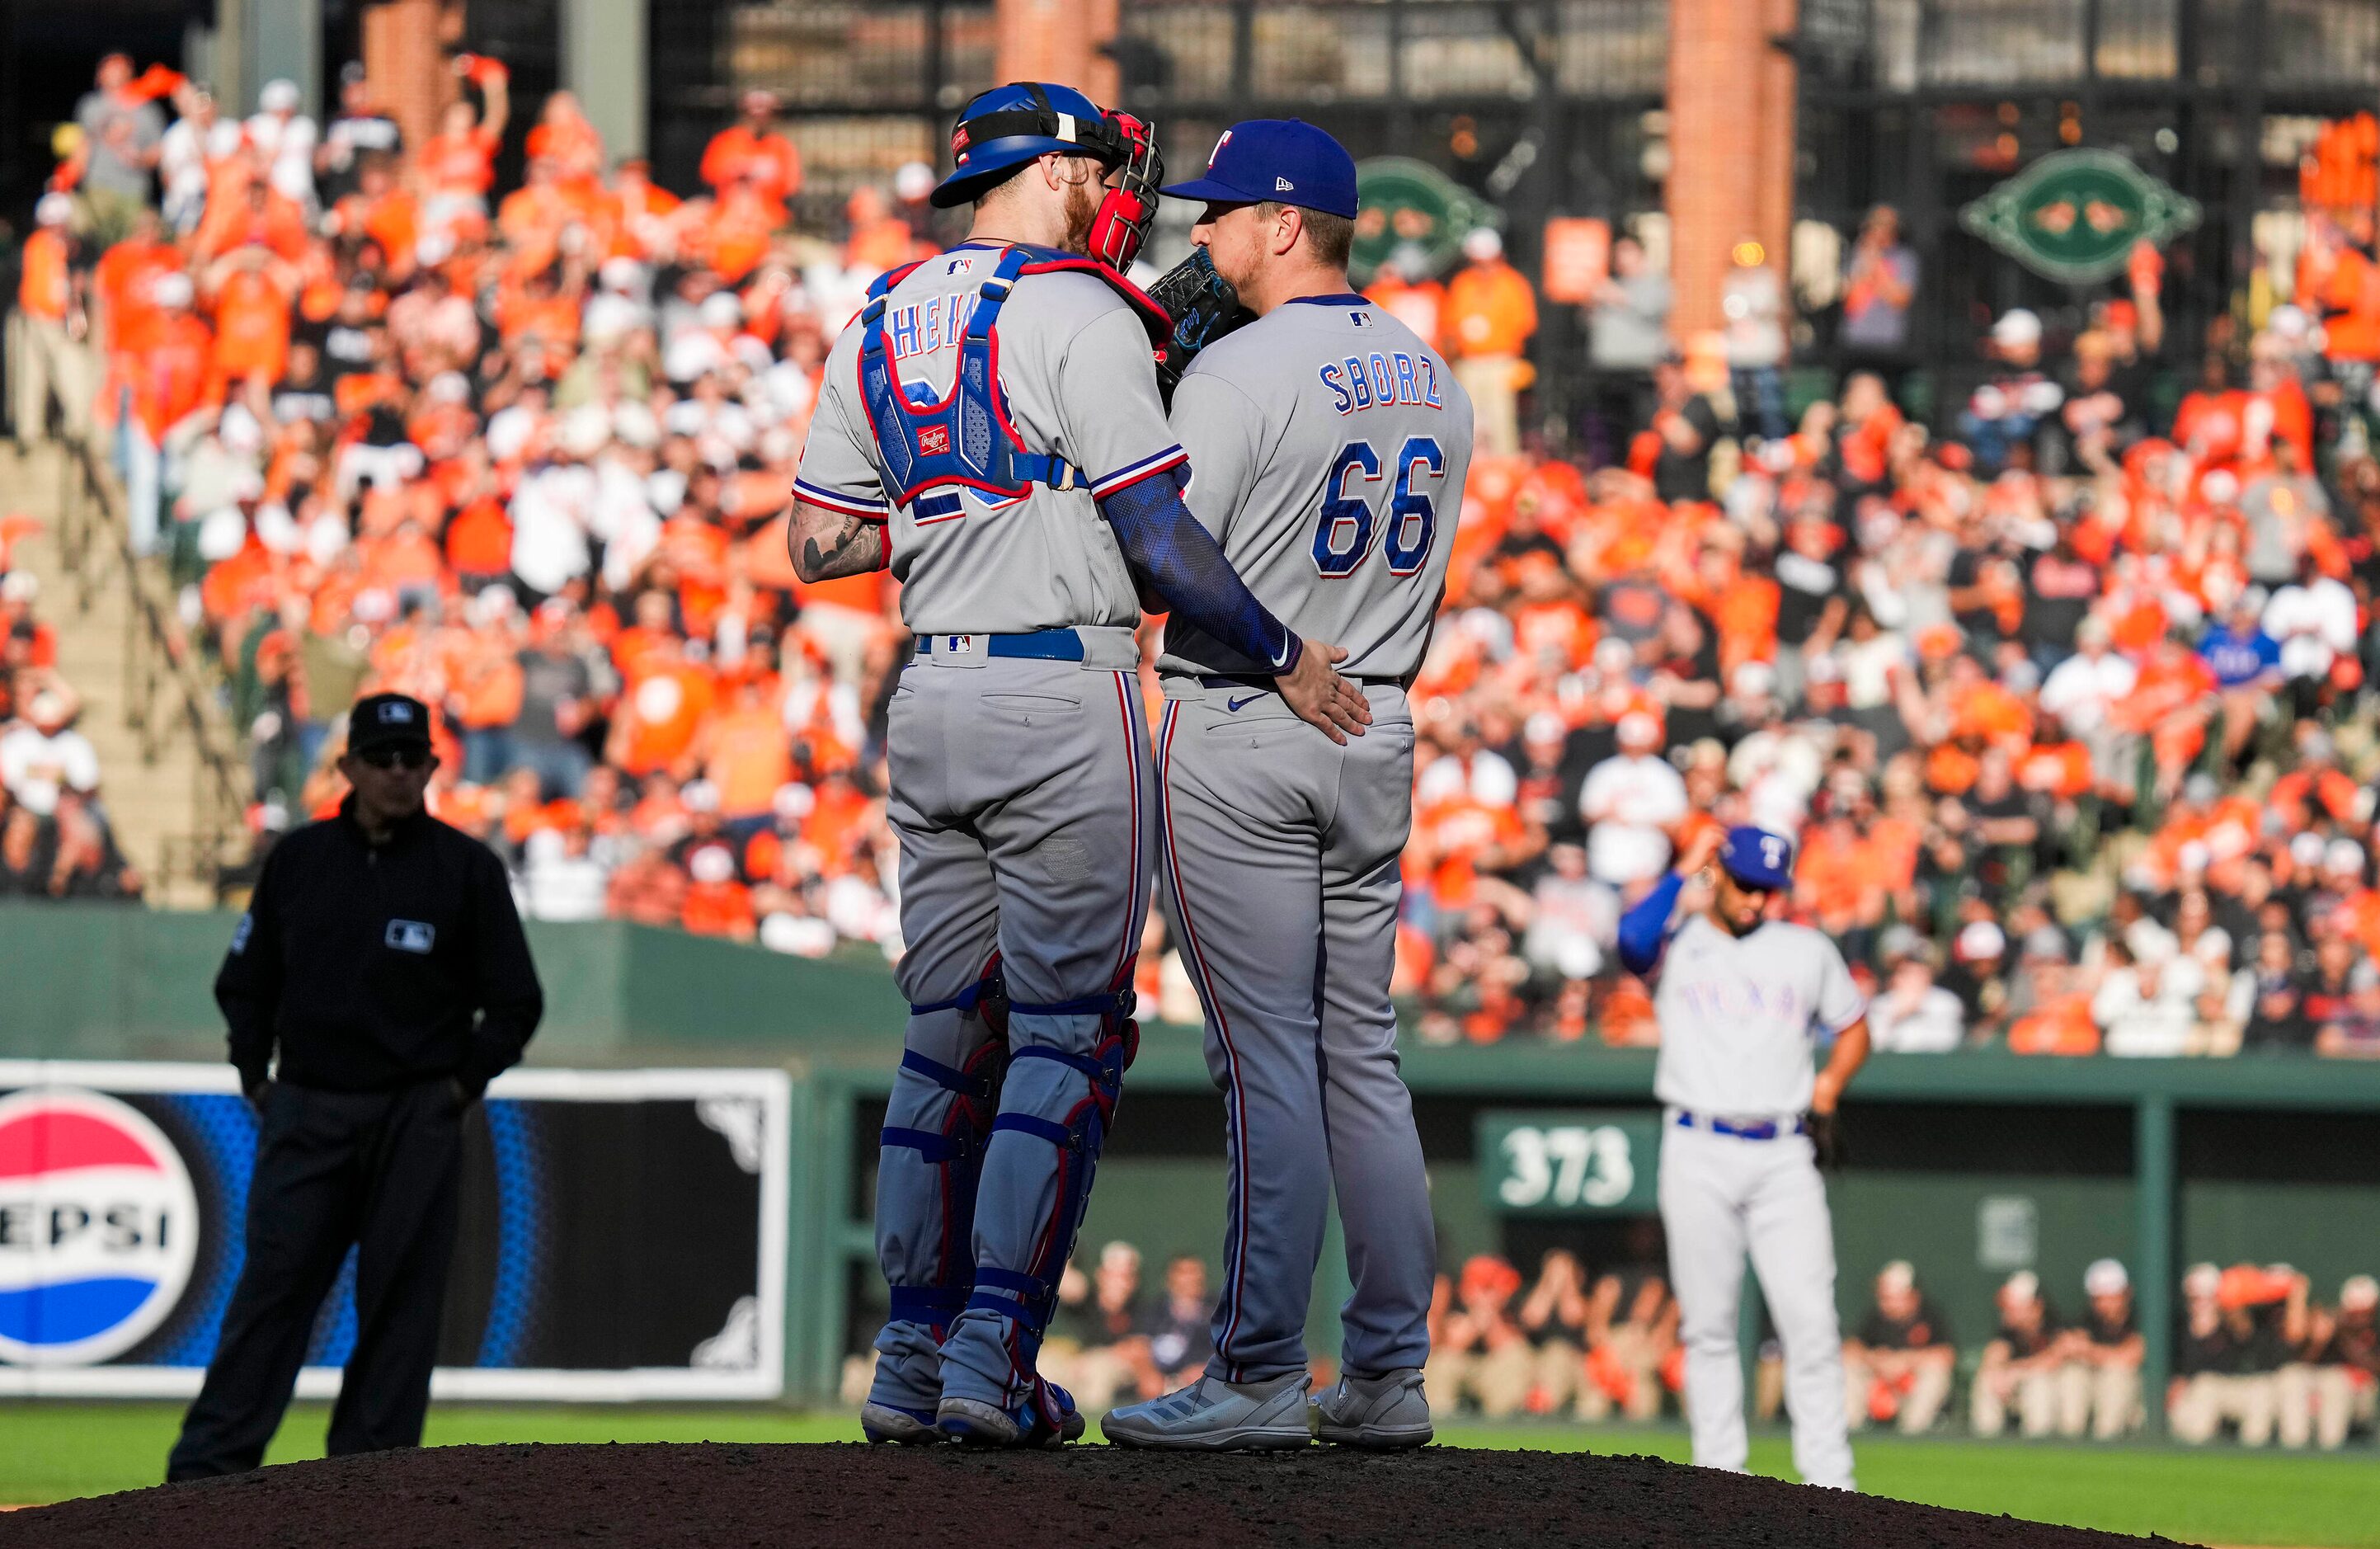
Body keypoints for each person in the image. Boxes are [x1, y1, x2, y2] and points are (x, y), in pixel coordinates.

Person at [792, 82, 1366, 1451]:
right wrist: (1284, 651)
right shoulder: (1090, 312)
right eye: (1106, 167)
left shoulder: (876, 311)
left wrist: (962, 511)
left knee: (943, 1045)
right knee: (1066, 1034)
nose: (1123, 189)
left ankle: (907, 1361)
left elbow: (816, 544)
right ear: (1054, 172)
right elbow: (1160, 542)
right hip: (1061, 689)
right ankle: (993, 1358)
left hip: (928, 688)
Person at [1101, 118, 1466, 1452]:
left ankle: (1258, 1368)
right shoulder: (1433, 371)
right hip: (1380, 719)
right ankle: (1387, 1368)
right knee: (1359, 1056)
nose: (1199, 234)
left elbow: (1160, 557)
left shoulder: (1242, 368)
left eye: (1221, 214)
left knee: (1264, 1064)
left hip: (1252, 709)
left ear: (1285, 225)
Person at [167, 692, 543, 1480]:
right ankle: (205, 1480)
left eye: (415, 761)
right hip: (309, 1103)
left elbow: (516, 1001)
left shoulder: (466, 870)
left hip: (417, 1112)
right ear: (348, 768)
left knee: (401, 1309)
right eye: (383, 760)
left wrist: (457, 1088)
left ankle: (366, 1489)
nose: (400, 775)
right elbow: (245, 981)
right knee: (274, 1292)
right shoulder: (300, 861)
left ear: (434, 769)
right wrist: (253, 1073)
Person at [1616, 823, 1869, 1490]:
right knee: (1709, 1326)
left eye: (1770, 889)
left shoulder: (1805, 948)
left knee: (1810, 1322)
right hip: (1697, 1142)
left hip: (1785, 1150)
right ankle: (1721, 1478)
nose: (1759, 900)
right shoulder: (1680, 941)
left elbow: (1853, 1026)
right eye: (1748, 885)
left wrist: (1831, 1084)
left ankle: (1829, 1480)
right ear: (1720, 875)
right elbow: (1629, 940)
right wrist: (1682, 874)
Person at [1443, 228, 1536, 456]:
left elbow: (1525, 324)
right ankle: (1471, 474)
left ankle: (1505, 472)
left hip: (1500, 361)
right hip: (1469, 362)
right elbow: (1450, 324)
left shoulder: (1512, 283)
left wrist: (1493, 334)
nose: (1481, 265)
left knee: (1501, 420)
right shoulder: (1463, 283)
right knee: (1469, 421)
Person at [1841, 1260, 1954, 1434]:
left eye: (1895, 1297)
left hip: (1911, 1387)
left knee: (1936, 1372)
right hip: (1878, 1386)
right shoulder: (1875, 1317)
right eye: (1885, 1297)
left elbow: (1946, 1355)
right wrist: (1875, 1359)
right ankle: (1852, 1431)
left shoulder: (1929, 1315)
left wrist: (1906, 1361)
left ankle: (1913, 1435)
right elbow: (1850, 1348)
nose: (1887, 1303)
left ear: (1913, 1296)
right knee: (1849, 1366)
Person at [1971, 1270, 2065, 1438]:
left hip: (2057, 1397)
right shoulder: (2007, 1329)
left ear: (2036, 1307)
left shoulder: (2055, 1326)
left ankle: (2039, 1445)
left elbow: (2054, 1359)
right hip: (2016, 1392)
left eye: (2015, 1307)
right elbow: (1993, 1356)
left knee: (2040, 1383)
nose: (2007, 1312)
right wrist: (1999, 1373)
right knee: (1987, 1378)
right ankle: (1986, 1443)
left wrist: (2016, 1372)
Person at [2058, 1258, 2144, 1438]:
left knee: (2116, 1376)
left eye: (2111, 1296)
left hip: (2136, 1401)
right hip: (2093, 1388)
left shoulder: (2140, 1318)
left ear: (2126, 1293)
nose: (2105, 1304)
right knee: (2073, 1374)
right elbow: (2064, 1348)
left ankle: (2106, 1443)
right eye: (2099, 1298)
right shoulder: (2086, 1319)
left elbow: (2131, 1357)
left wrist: (2087, 1350)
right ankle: (2070, 1441)